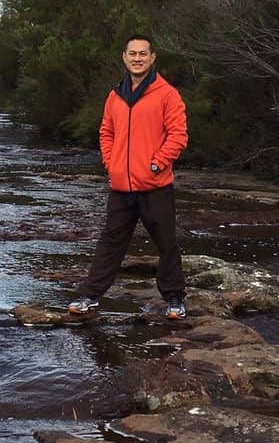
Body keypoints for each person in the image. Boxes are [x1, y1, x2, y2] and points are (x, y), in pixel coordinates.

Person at [68, 34, 189, 320]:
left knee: (167, 243)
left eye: (143, 54)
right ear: (124, 57)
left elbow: (178, 135)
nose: (137, 58)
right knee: (110, 242)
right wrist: (111, 163)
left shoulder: (167, 94)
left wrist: (157, 165)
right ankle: (89, 295)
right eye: (132, 53)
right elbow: (106, 132)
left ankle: (175, 299)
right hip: (121, 186)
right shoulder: (115, 95)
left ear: (152, 57)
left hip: (155, 186)